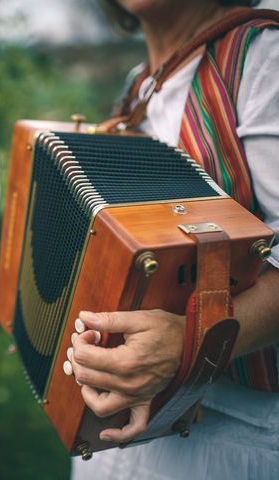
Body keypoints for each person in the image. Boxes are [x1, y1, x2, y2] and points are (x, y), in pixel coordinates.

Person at [69, 1, 279, 478]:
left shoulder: (263, 60)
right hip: (115, 433)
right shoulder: (136, 88)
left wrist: (190, 344)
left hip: (243, 433)